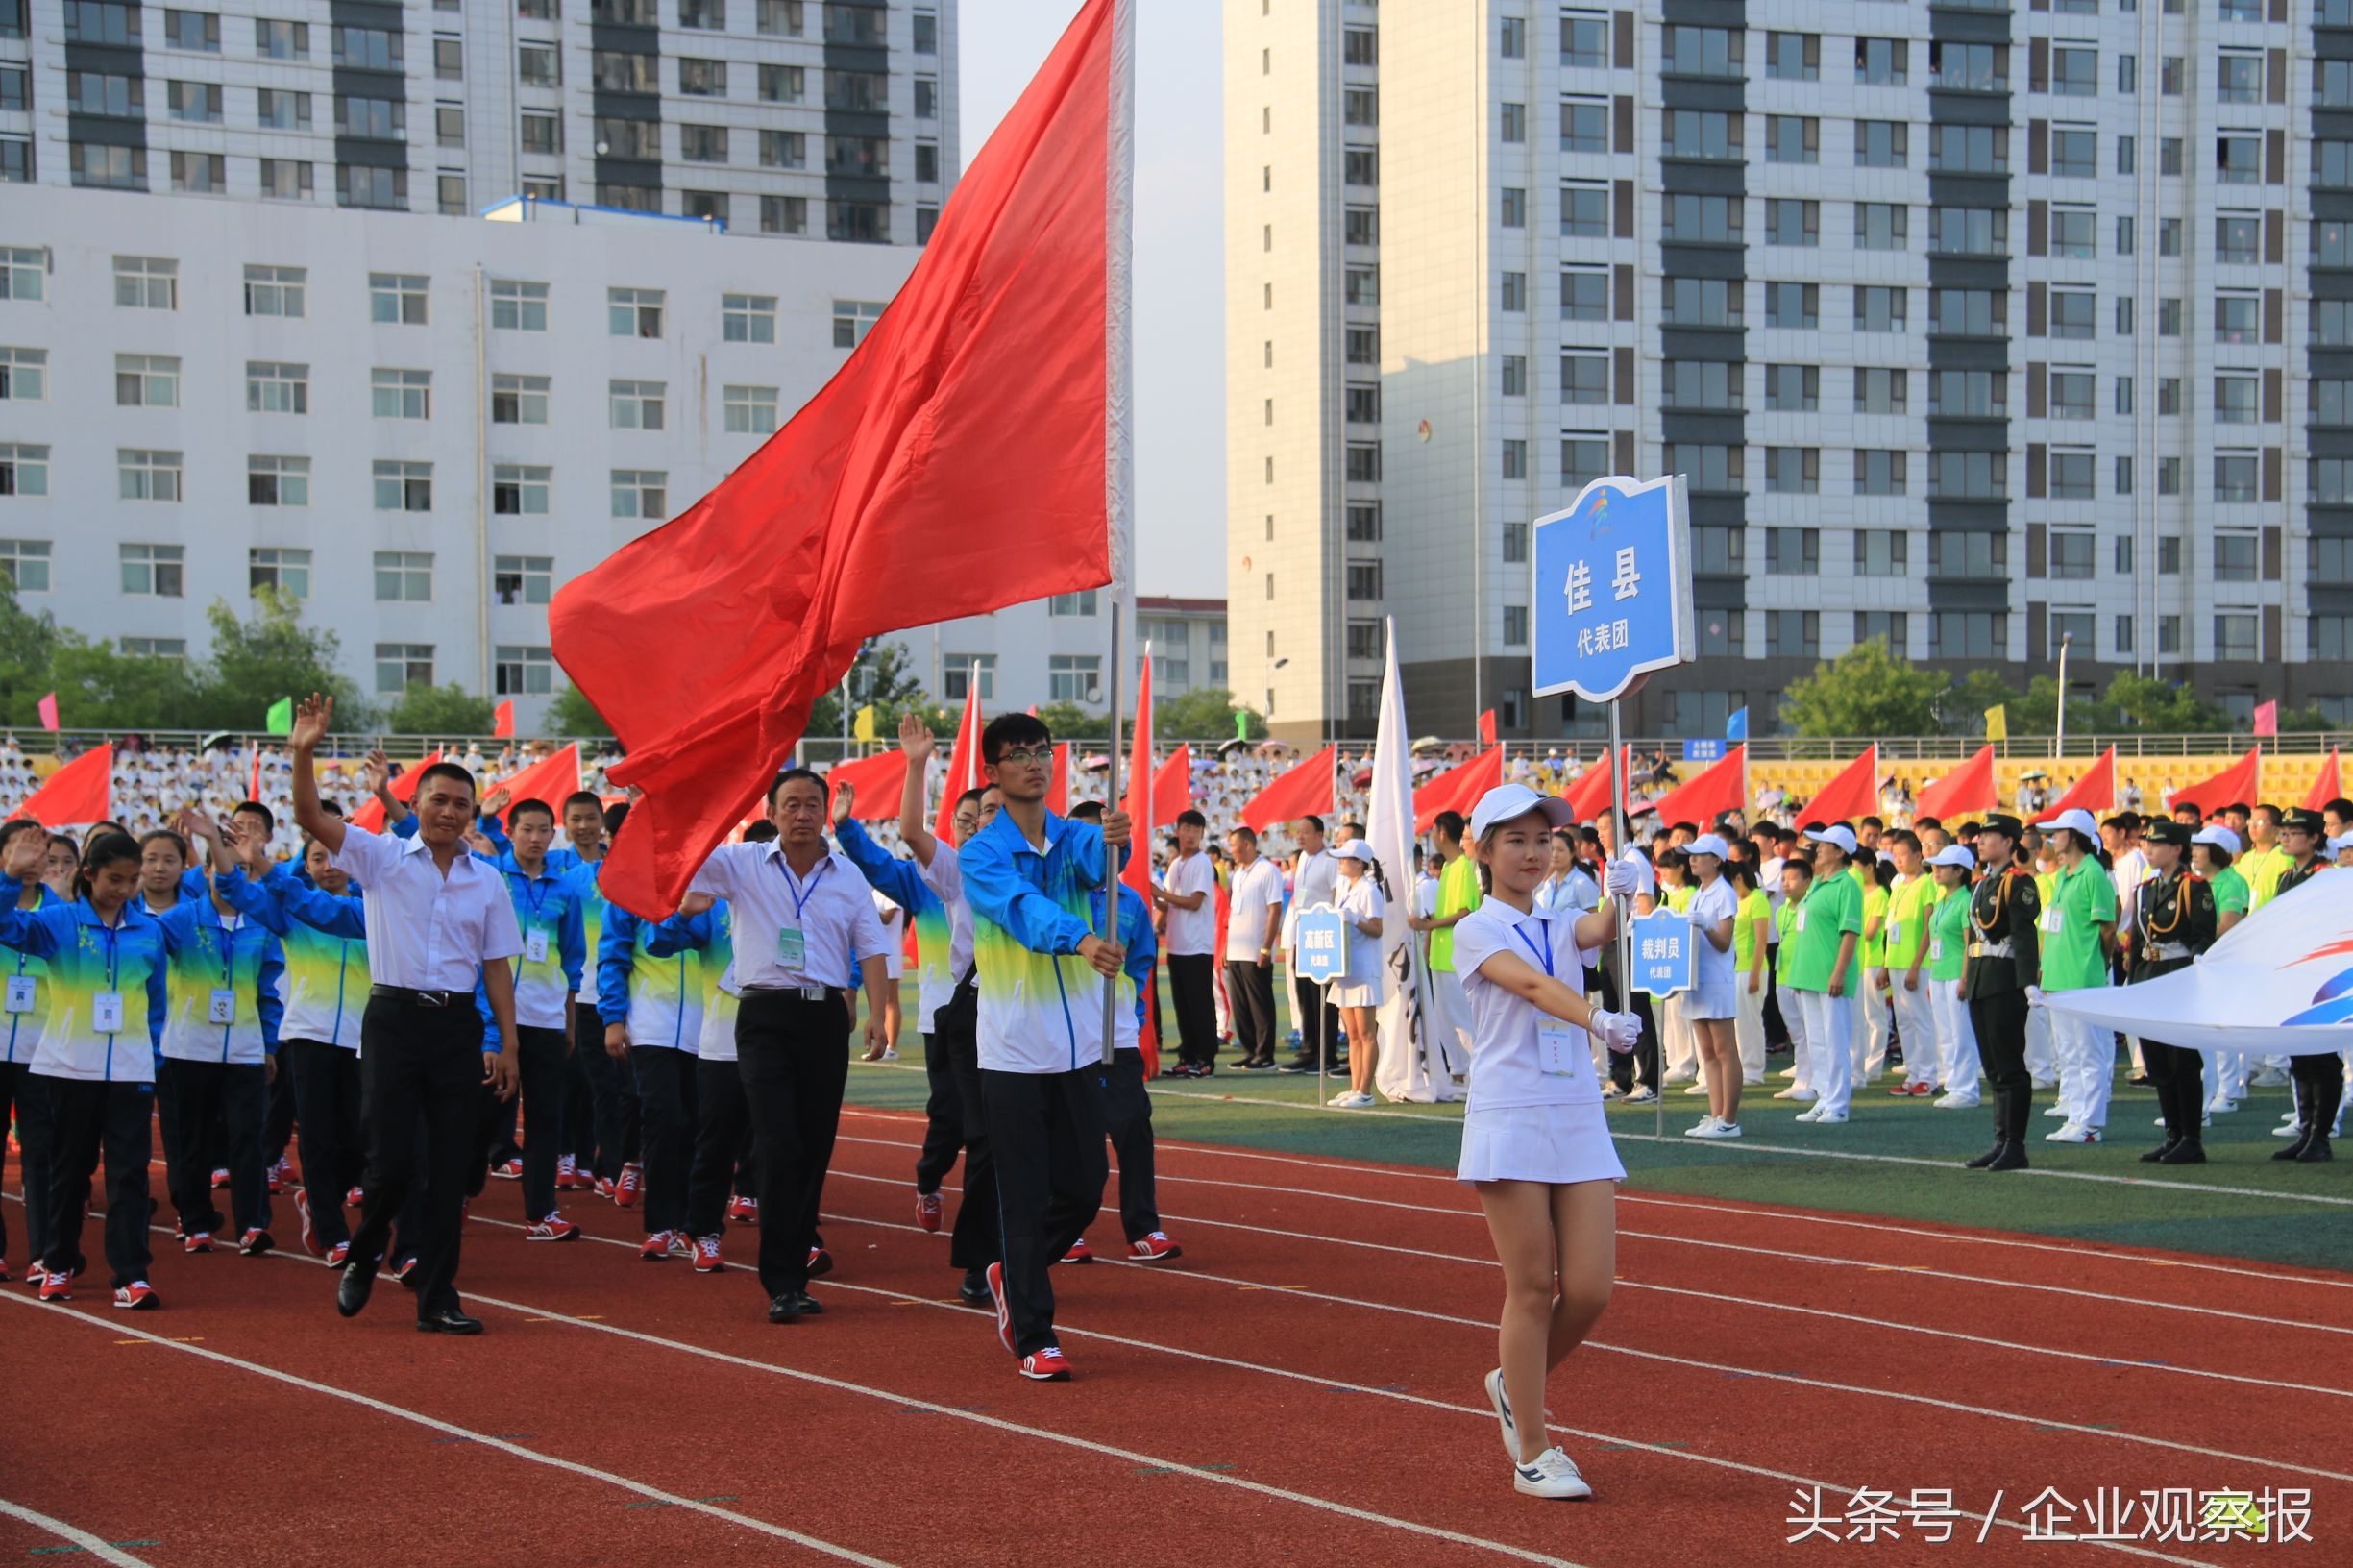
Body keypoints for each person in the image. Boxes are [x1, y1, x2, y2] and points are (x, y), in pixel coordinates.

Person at [290, 696, 525, 1335]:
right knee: (391, 1163)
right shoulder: (380, 857)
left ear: (473, 813)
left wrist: (507, 1044)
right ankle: (367, 1251)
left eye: (461, 804)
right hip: (392, 1021)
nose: (449, 811)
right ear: (414, 803)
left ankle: (437, 1297)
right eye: (438, 800)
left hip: (455, 1027)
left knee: (448, 1171)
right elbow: (308, 815)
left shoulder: (488, 881)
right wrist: (305, 750)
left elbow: (497, 968)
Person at [1450, 784, 1641, 1500]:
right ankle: (1532, 1450)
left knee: (1589, 1289)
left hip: (1575, 1111)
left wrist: (1626, 888)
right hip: (1510, 1112)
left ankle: (1511, 1381)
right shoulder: (1475, 929)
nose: (1533, 853)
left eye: (1543, 840)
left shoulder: (1560, 921)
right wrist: (1597, 1020)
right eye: (1516, 841)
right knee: (1531, 1287)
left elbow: (1602, 928)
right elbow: (1530, 986)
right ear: (1483, 851)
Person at [679, 769, 893, 1323]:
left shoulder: (847, 875)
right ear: (771, 813)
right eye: (791, 804)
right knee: (778, 1143)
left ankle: (796, 1269)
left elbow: (871, 947)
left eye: (812, 804)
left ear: (825, 812)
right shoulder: (742, 862)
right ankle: (782, 1281)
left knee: (814, 1146)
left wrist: (876, 1015)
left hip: (824, 1017)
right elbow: (685, 868)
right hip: (764, 1016)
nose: (802, 814)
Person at [955, 715, 1131, 1382]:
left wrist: (1118, 839)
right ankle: (1035, 1335)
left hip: (1078, 1047)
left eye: (1041, 751)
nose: (1034, 763)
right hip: (1013, 1051)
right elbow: (1021, 909)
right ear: (993, 772)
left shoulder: (1076, 836)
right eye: (1018, 755)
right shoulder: (981, 854)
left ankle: (1012, 1269)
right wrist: (1081, 939)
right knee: (1024, 1195)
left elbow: (1102, 863)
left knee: (1084, 1188)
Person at [834, 717, 1000, 1301]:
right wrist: (848, 827)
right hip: (947, 1015)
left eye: (985, 817)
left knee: (1001, 1131)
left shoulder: (1018, 871)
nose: (974, 827)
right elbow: (884, 859)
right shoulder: (934, 878)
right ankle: (933, 1181)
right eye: (966, 820)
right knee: (953, 1119)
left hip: (1011, 1017)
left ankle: (1013, 1240)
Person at [1, 827, 181, 1309]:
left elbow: (156, 1003)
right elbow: (5, 926)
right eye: (114, 879)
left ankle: (131, 1275)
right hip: (69, 1068)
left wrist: (151, 1060)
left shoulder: (149, 932)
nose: (124, 889)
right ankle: (58, 1263)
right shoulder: (58, 922)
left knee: (129, 1175)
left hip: (131, 1072)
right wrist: (11, 875)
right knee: (69, 1172)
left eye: (131, 879)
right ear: (89, 875)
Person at [213, 818, 378, 1262]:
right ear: (305, 866)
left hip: (363, 1039)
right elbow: (236, 891)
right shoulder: (291, 913)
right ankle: (332, 1233)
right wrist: (222, 847)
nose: (329, 865)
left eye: (337, 856)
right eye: (318, 857)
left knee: (359, 1139)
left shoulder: (375, 913)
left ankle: (318, 1200)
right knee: (318, 1135)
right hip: (308, 1033)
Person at [156, 811, 286, 1258]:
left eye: (245, 868)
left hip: (245, 1050)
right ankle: (195, 1221)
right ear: (207, 871)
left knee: (248, 1137)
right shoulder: (181, 919)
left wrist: (268, 1045)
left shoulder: (261, 926)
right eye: (226, 866)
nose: (235, 875)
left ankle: (252, 1223)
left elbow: (268, 991)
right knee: (193, 1139)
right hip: (189, 1048)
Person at [1066, 800, 1181, 1262]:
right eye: (1084, 839)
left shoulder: (1130, 903)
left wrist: (1131, 1018)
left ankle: (1143, 1228)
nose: (1095, 847)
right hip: (1067, 1036)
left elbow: (1140, 965)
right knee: (1072, 1135)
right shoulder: (1057, 899)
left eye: (1102, 839)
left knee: (1133, 1126)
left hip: (1116, 1036)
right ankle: (1066, 1230)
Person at [476, 797, 588, 1242]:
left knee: (545, 1119)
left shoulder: (565, 890)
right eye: (527, 829)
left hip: (546, 1019)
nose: (536, 838)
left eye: (544, 830)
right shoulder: (492, 877)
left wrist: (569, 1020)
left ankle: (542, 1212)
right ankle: (460, 1191)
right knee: (480, 1114)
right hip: (495, 1017)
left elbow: (573, 958)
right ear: (511, 833)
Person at [598, 870, 703, 1262]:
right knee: (663, 1118)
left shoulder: (713, 887)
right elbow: (613, 955)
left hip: (705, 1024)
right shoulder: (632, 890)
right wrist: (613, 1018)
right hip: (651, 1024)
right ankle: (661, 1224)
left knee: (695, 1124)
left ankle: (692, 1222)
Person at [2120, 821, 2218, 1164]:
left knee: (2182, 1061)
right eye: (2147, 843)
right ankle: (2173, 1135)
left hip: (2178, 976)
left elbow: (2204, 939)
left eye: (2157, 844)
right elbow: (2137, 941)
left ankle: (2191, 1138)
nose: (2149, 849)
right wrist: (2133, 982)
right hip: (2150, 976)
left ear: (2177, 849)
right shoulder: (2145, 889)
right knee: (2157, 1060)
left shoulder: (2193, 888)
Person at [1960, 815, 2043, 1172]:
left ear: (2009, 842)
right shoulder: (1982, 884)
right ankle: (2000, 1141)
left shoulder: (2018, 883)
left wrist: (2028, 982)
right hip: (1982, 980)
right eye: (1980, 836)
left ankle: (2015, 1146)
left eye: (1989, 836)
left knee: (2010, 1067)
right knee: (1993, 1069)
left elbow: (2024, 935)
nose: (1980, 841)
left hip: (2005, 981)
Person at [2033, 809, 2119, 1144]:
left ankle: (2090, 1123)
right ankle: (2075, 1116)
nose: (2052, 838)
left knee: (2088, 1054)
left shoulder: (2093, 873)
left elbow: (2107, 928)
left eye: (2058, 832)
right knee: (2069, 1053)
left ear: (2075, 835)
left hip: (2083, 976)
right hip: (2058, 976)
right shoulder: (2063, 875)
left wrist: (2100, 962)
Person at [0, 819, 60, 1284]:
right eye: (22, 850)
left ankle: (45, 1252)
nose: (32, 860)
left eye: (42, 853)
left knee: (43, 1155)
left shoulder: (61, 913)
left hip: (44, 1051)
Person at [2271, 809, 2339, 1162]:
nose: (2284, 838)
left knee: (2322, 1057)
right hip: (2293, 973)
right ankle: (2306, 1130)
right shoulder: (2287, 876)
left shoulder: (2325, 875)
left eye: (2293, 832)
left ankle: (2320, 1136)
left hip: (2319, 975)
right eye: (2282, 832)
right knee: (2300, 1055)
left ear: (2314, 838)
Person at [1783, 826, 1863, 1126]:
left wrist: (1839, 973)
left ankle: (1838, 1104)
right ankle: (1825, 1096)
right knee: (1817, 1042)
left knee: (1835, 1041)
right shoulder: (1817, 883)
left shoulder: (1847, 885)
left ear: (1840, 852)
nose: (1818, 848)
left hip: (1830, 975)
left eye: (1824, 844)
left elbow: (1850, 932)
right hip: (1808, 975)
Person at [1679, 834, 1742, 1139]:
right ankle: (1716, 1114)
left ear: (1717, 860)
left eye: (1699, 855)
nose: (1692, 859)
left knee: (1724, 1050)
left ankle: (1729, 1119)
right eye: (1691, 855)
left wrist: (1705, 925)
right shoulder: (1697, 894)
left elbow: (1724, 942)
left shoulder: (1724, 893)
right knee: (1707, 1052)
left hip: (1717, 979)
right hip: (1696, 979)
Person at [1152, 810, 1219, 1078]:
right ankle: (1188, 1055)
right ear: (1178, 831)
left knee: (1199, 1004)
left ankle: (1205, 1059)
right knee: (1183, 1005)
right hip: (1177, 945)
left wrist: (1161, 894)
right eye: (1186, 828)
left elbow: (1194, 902)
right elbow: (1167, 904)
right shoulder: (1176, 864)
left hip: (1197, 946)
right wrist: (1154, 896)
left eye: (1196, 830)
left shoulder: (1202, 863)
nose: (1190, 834)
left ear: (1202, 834)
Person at [1919, 845, 1981, 1109]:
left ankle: (1967, 1089)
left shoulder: (1965, 900)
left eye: (1943, 867)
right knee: (1945, 1033)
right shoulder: (1942, 900)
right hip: (1939, 973)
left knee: (1961, 1033)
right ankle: (1954, 1084)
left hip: (1957, 973)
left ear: (1959, 871)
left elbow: (1970, 943)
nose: (1936, 870)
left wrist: (1965, 978)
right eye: (1935, 866)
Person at [1327, 839, 1387, 1108]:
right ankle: (1354, 1088)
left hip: (1364, 968)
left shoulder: (1369, 890)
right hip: (1346, 968)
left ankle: (1365, 1091)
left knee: (1366, 1033)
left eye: (1345, 859)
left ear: (1359, 863)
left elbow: (1377, 929)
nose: (1341, 863)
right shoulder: (1345, 888)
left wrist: (1355, 919)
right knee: (1352, 1034)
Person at [1279, 816, 1341, 1074]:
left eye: (1305, 832)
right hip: (1302, 935)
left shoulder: (1330, 860)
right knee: (1304, 996)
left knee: (1322, 999)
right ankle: (1309, 1049)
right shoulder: (1303, 859)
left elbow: (1336, 896)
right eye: (1298, 831)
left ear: (1319, 834)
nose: (1300, 836)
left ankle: (1327, 1055)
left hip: (1323, 937)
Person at [1422, 811, 1483, 1073]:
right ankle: (1458, 1071)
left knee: (1461, 1019)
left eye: (1433, 832)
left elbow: (1465, 911)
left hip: (1455, 956)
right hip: (1439, 955)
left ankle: (1475, 1074)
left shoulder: (1464, 867)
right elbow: (1444, 912)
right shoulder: (1447, 867)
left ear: (1442, 833)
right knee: (1443, 1021)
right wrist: (1429, 931)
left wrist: (1429, 926)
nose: (1433, 837)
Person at [1221, 825, 1283, 1071]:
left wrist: (1266, 948)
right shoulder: (1238, 873)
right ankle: (1250, 1051)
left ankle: (1265, 1054)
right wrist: (1226, 947)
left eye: (1233, 845)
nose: (1230, 850)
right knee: (1240, 1005)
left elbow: (1274, 910)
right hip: (1236, 949)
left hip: (1256, 949)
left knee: (1260, 1004)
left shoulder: (1268, 870)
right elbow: (1233, 913)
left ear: (1246, 844)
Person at [1728, 863, 1771, 1090]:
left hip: (1752, 969)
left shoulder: (1757, 899)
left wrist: (1754, 973)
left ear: (1738, 878)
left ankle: (1754, 1069)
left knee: (1750, 1022)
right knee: (1739, 1023)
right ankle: (1744, 1067)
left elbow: (1761, 940)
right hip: (1736, 969)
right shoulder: (1737, 902)